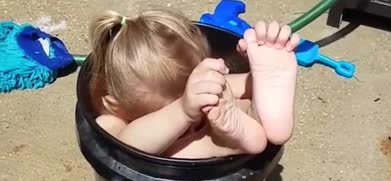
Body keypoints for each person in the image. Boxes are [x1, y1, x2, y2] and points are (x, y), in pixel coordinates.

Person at [89, 9, 300, 159]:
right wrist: (183, 110)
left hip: (220, 130)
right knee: (134, 147)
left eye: (194, 85)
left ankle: (254, 113)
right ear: (113, 103)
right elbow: (127, 145)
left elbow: (122, 151)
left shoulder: (112, 113)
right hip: (211, 138)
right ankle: (231, 140)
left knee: (223, 93)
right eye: (166, 108)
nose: (194, 114)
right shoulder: (114, 119)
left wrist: (258, 72)